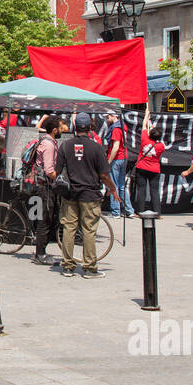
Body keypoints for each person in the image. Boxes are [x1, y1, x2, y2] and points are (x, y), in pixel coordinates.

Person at [54, 112, 119, 277]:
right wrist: (112, 188)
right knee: (89, 230)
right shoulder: (96, 147)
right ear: (90, 127)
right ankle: (89, 267)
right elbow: (104, 175)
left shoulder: (65, 146)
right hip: (90, 194)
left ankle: (67, 265)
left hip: (70, 194)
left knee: (69, 228)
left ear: (75, 127)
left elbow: (57, 171)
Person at [31, 116, 63, 266]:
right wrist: (61, 176)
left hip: (43, 184)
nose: (63, 129)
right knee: (44, 219)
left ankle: (41, 250)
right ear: (55, 130)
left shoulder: (46, 141)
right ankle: (40, 254)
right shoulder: (49, 145)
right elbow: (49, 170)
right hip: (45, 186)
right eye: (61, 127)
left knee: (46, 218)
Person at [132, 109, 165, 215]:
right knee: (154, 191)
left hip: (142, 168)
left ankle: (140, 211)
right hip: (154, 169)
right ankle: (157, 212)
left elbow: (144, 126)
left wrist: (146, 115)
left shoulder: (144, 139)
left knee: (141, 190)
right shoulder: (161, 146)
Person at [104, 110, 135, 219]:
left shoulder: (116, 129)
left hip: (117, 159)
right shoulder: (123, 126)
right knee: (121, 185)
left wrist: (109, 161)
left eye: (107, 117)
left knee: (113, 185)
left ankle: (116, 211)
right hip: (124, 157)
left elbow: (115, 147)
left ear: (113, 116)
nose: (107, 120)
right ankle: (129, 210)